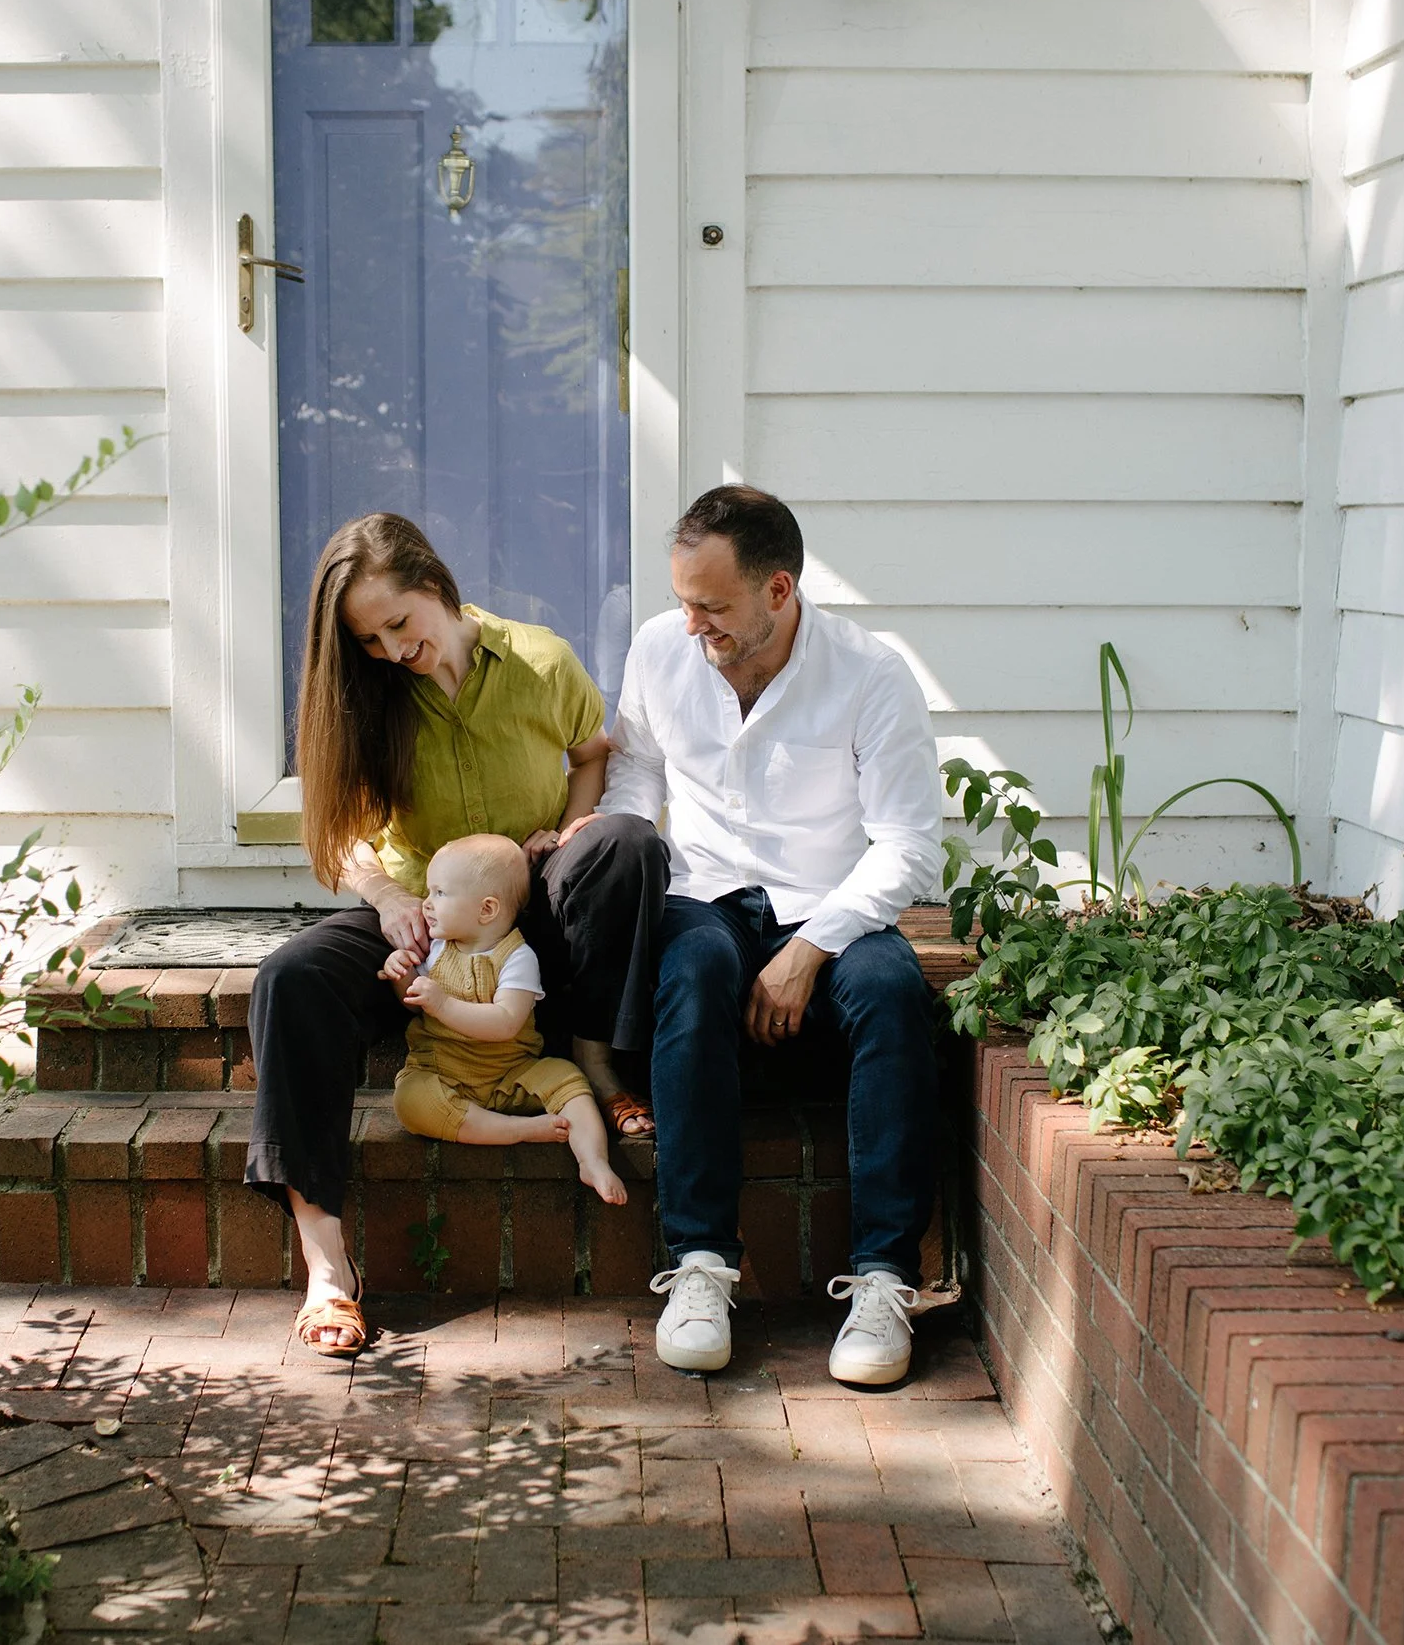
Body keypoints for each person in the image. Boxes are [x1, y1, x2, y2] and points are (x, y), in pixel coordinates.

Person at [248, 512, 668, 1360]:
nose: (391, 651)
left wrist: (574, 821)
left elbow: (593, 751)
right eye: (368, 639)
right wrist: (387, 896)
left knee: (626, 845)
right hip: (424, 916)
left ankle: (596, 1061)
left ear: (437, 586)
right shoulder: (369, 698)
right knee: (289, 978)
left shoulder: (541, 659)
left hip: (531, 914)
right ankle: (327, 1265)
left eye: (400, 624)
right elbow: (347, 839)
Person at [598, 484, 946, 1387]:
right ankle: (701, 1265)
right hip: (704, 892)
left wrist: (811, 946)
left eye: (711, 607)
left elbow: (908, 843)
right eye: (682, 601)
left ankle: (883, 1280)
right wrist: (612, 839)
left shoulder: (872, 675)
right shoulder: (658, 651)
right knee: (694, 968)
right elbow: (635, 774)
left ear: (779, 591)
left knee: (891, 992)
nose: (690, 626)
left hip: (827, 902)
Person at [384, 833, 630, 1206]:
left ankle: (592, 1159)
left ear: (487, 909)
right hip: (441, 1070)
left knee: (570, 1084)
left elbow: (505, 1022)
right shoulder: (434, 949)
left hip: (510, 1072)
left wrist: (443, 1004)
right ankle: (518, 1130)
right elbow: (413, 1003)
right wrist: (400, 975)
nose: (426, 904)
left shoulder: (517, 957)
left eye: (439, 894)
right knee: (410, 1100)